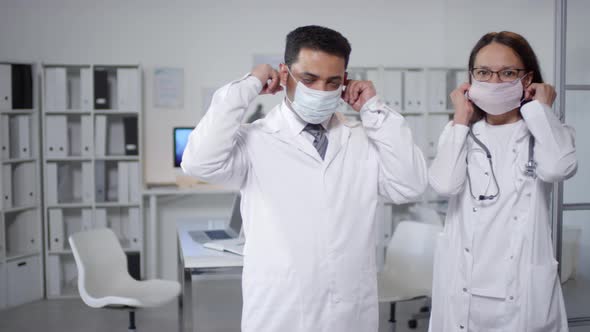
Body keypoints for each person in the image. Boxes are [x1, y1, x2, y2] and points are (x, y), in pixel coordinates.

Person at [181, 25, 428, 332]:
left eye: (333, 82)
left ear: (345, 82)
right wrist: (250, 84)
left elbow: (411, 184)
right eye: (309, 79)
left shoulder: (362, 139)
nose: (322, 91)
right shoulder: (256, 140)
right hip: (280, 314)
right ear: (284, 74)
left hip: (349, 314)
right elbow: (198, 162)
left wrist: (373, 109)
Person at [428, 31, 577, 331]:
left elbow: (558, 168)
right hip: (464, 283)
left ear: (527, 79)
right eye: (484, 72)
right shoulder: (459, 133)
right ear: (471, 78)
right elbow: (444, 185)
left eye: (507, 73)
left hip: (520, 287)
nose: (494, 82)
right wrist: (460, 118)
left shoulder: (546, 131)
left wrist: (541, 110)